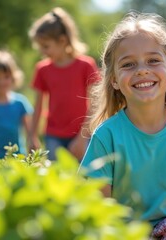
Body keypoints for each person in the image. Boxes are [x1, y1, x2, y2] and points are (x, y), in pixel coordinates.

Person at [78, 12, 166, 240]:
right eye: (128, 64)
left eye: (153, 60)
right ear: (114, 79)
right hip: (127, 233)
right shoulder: (106, 136)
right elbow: (100, 209)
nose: (142, 70)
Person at [28, 7, 100, 161]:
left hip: (82, 134)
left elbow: (95, 104)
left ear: (62, 40)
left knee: (83, 179)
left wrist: (82, 138)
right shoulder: (42, 69)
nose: (42, 51)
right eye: (40, 46)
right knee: (57, 180)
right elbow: (38, 106)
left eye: (46, 46)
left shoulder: (86, 65)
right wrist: (32, 135)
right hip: (53, 135)